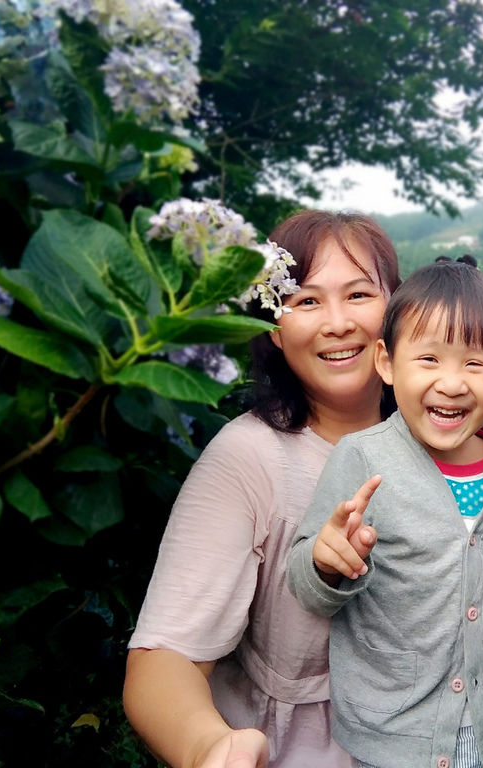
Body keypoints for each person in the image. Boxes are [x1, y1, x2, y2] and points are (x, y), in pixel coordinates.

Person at [123, 210, 401, 768]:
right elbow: (163, 659)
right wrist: (210, 746)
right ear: (274, 329)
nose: (338, 322)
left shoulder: (448, 439)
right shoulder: (250, 457)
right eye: (307, 301)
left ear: (396, 309)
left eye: (360, 295)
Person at [288, 257, 483, 768]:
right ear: (387, 363)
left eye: (475, 364)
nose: (452, 383)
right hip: (398, 738)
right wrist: (325, 561)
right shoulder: (363, 458)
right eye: (428, 359)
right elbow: (304, 583)